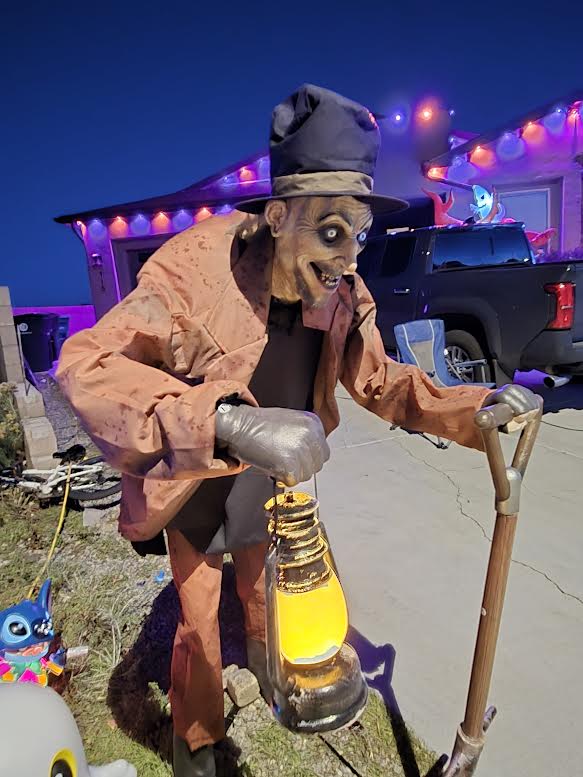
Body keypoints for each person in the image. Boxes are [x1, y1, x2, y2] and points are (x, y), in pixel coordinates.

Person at [56, 84, 539, 776]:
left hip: (271, 479)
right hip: (196, 473)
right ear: (279, 216)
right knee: (198, 616)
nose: (349, 259)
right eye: (332, 232)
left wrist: (474, 407)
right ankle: (197, 740)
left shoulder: (341, 290)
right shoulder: (197, 269)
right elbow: (88, 366)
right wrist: (226, 421)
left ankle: (270, 666)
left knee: (264, 590)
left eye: (361, 236)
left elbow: (380, 379)